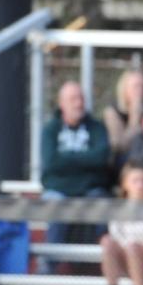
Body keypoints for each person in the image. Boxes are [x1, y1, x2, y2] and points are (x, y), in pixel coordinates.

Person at [39, 80, 113, 273]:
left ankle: (103, 266)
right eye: (73, 99)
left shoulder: (97, 128)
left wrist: (67, 160)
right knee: (55, 205)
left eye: (81, 98)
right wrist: (84, 162)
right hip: (58, 191)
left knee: (100, 202)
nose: (78, 103)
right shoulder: (50, 129)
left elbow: (101, 158)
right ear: (61, 103)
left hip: (90, 191)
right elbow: (51, 162)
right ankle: (47, 269)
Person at [103, 67, 143, 161]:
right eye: (136, 86)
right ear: (124, 89)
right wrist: (135, 118)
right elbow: (119, 146)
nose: (140, 91)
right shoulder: (112, 113)